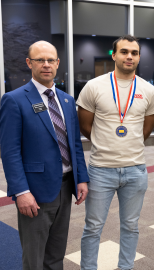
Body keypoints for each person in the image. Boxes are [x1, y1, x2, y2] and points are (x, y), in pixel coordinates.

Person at [0, 40, 89, 270]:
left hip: (66, 186)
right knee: (34, 259)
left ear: (58, 63)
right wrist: (21, 192)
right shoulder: (14, 100)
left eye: (51, 60)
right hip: (35, 191)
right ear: (29, 63)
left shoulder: (67, 100)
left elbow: (75, 145)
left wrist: (82, 179)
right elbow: (10, 152)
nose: (46, 64)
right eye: (40, 60)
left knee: (56, 255)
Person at [77, 35, 154, 270]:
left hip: (135, 170)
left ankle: (126, 267)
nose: (129, 56)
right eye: (124, 52)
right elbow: (85, 125)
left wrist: (127, 144)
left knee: (131, 226)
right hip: (101, 170)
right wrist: (106, 143)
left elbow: (147, 127)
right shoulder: (94, 86)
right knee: (93, 227)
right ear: (113, 55)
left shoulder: (148, 89)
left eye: (134, 53)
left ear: (139, 57)